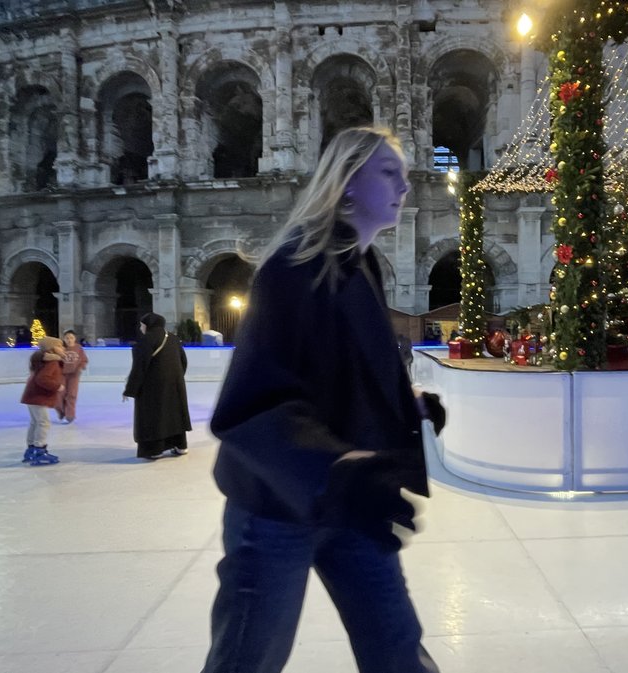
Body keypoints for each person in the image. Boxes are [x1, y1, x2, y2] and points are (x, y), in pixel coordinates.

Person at [201, 127, 444, 673]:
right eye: (389, 174)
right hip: (276, 510)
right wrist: (338, 471)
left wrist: (409, 405)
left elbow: (345, 373)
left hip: (352, 506)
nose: (406, 188)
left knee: (397, 648)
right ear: (348, 182)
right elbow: (253, 402)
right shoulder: (293, 267)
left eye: (404, 177)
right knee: (247, 659)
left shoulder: (366, 265)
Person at [123, 312, 191, 460]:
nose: (141, 328)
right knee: (174, 414)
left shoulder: (146, 340)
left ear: (148, 325)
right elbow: (183, 361)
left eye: (142, 325)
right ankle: (180, 445)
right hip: (175, 385)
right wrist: (175, 378)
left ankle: (155, 450)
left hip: (153, 387)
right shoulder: (173, 338)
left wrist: (131, 389)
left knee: (155, 416)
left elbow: (139, 367)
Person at [20, 337, 65, 466]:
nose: (63, 349)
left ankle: (31, 448)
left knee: (36, 422)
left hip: (32, 395)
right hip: (38, 396)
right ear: (52, 348)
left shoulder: (42, 359)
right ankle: (39, 450)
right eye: (60, 346)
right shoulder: (52, 362)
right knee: (43, 423)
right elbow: (42, 379)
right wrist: (57, 386)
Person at [56, 329, 89, 424]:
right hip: (61, 375)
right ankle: (61, 411)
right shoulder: (60, 348)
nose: (69, 340)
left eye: (71, 338)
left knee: (72, 395)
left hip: (74, 375)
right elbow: (55, 361)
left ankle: (70, 414)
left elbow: (84, 360)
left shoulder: (78, 348)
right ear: (64, 339)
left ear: (75, 339)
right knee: (58, 394)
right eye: (67, 338)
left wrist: (80, 367)